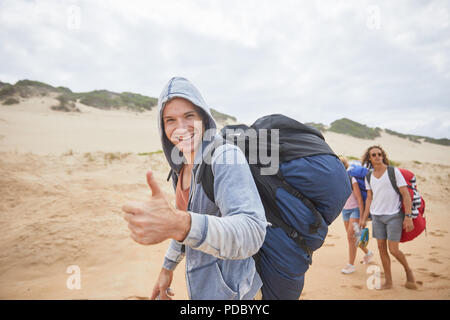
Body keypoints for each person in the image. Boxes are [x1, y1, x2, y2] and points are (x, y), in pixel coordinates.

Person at [122, 77, 267, 300]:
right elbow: (183, 225)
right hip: (205, 289)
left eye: (189, 116)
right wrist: (167, 268)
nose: (180, 128)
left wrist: (179, 223)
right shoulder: (181, 168)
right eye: (170, 120)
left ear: (203, 118)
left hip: (237, 293)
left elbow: (252, 232)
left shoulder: (225, 157)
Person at [359, 145, 417, 290]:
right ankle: (389, 281)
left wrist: (408, 216)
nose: (377, 156)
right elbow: (369, 198)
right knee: (381, 248)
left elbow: (405, 194)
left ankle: (408, 270)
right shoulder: (368, 176)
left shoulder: (393, 172)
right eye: (374, 155)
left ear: (383, 156)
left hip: (393, 216)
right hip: (377, 217)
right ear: (369, 158)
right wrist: (364, 218)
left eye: (379, 154)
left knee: (393, 250)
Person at [339, 156, 373, 274]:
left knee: (350, 237)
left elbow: (359, 198)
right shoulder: (336, 179)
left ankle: (351, 265)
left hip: (355, 210)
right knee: (355, 237)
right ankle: (368, 253)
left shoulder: (351, 178)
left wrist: (363, 217)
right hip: (345, 210)